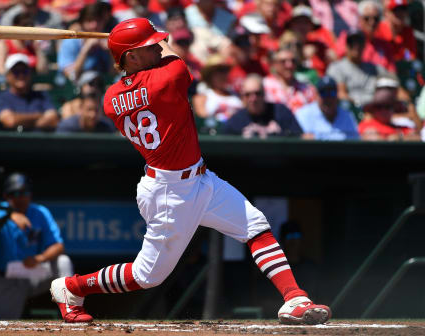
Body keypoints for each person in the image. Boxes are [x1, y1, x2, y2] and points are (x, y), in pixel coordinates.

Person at [50, 17, 331, 325]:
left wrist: (132, 42)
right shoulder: (167, 78)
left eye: (156, 44)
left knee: (254, 224)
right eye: (148, 46)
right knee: (147, 275)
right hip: (171, 192)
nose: (157, 47)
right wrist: (146, 39)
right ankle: (72, 287)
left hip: (197, 178)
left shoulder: (109, 99)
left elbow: (144, 71)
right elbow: (173, 58)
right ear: (130, 57)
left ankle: (294, 298)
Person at [0, 172, 73, 319]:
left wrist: (40, 258)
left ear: (30, 195)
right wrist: (8, 216)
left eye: (24, 192)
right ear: (6, 196)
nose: (20, 198)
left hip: (33, 273)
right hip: (5, 279)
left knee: (63, 262)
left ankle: (71, 311)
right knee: (3, 326)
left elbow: (58, 246)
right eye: (15, 193)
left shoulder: (39, 212)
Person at [221, 73, 303, 138]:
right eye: (247, 95)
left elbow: (299, 138)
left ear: (264, 94)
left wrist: (278, 134)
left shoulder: (280, 112)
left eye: (257, 93)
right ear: (242, 97)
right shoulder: (236, 121)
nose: (253, 99)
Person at [0, 53, 59, 131]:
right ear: (8, 76)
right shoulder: (1, 98)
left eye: (25, 71)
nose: (21, 75)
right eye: (16, 72)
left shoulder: (41, 96)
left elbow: (53, 119)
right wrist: (39, 116)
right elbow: (10, 121)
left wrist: (21, 121)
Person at [326, 30, 389, 108]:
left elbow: (392, 81)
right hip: (352, 110)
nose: (356, 46)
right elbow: (340, 94)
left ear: (364, 46)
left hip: (376, 110)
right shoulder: (337, 67)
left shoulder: (374, 68)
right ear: (346, 45)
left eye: (360, 43)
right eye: (352, 43)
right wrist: (359, 107)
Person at [335, 0, 396, 73]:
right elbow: (337, 62)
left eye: (375, 19)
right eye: (367, 18)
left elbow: (392, 71)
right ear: (359, 19)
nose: (372, 22)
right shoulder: (348, 38)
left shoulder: (385, 45)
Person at [57, 3, 113, 81]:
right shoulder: (70, 42)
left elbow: (112, 75)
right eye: (89, 20)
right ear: (82, 23)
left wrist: (111, 51)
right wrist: (86, 49)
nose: (94, 25)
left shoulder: (108, 42)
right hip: (73, 90)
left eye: (98, 20)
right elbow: (72, 77)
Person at [295, 76, 360, 140]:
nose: (328, 98)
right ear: (316, 95)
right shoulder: (303, 115)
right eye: (323, 93)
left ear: (337, 95)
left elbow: (354, 142)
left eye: (332, 93)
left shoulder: (347, 116)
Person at [263, 47, 318, 114]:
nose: (289, 65)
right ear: (275, 64)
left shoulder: (306, 89)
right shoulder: (265, 87)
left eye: (293, 61)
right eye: (283, 61)